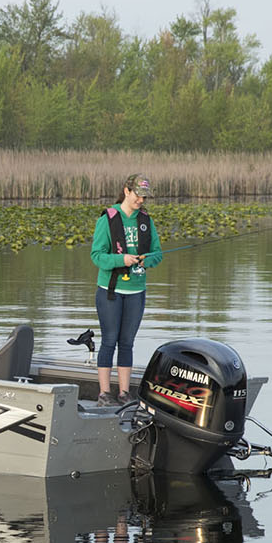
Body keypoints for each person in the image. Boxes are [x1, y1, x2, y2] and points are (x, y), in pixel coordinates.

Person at [89, 174, 163, 405]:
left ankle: (123, 393)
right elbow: (97, 256)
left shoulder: (146, 220)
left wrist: (146, 259)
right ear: (126, 191)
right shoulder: (108, 218)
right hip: (110, 291)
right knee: (109, 340)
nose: (141, 200)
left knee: (127, 342)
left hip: (136, 292)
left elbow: (157, 254)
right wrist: (122, 260)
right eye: (137, 195)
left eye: (144, 197)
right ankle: (104, 393)